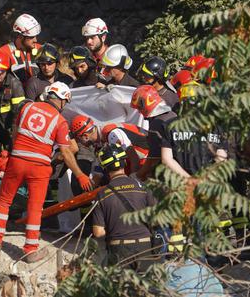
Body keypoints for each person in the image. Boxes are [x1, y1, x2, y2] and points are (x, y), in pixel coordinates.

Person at [0, 82, 93, 263]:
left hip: (18, 159)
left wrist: (15, 152)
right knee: (35, 207)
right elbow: (67, 152)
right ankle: (30, 250)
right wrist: (80, 174)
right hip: (40, 167)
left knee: (4, 201)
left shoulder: (27, 108)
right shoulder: (60, 121)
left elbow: (15, 133)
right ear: (62, 100)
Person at [92, 143, 156, 271]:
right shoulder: (142, 187)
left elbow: (98, 232)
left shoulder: (102, 194)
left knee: (121, 289)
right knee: (146, 288)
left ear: (104, 167)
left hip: (119, 250)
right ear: (124, 162)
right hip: (145, 247)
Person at [70, 115, 149, 175]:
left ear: (85, 136)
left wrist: (134, 182)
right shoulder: (99, 145)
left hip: (148, 161)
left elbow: (133, 157)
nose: (79, 143)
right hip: (141, 163)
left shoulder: (111, 133)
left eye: (78, 140)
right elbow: (98, 173)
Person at [130, 85, 177, 181]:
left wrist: (138, 175)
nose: (139, 112)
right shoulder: (173, 115)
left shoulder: (156, 124)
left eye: (139, 107)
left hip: (166, 176)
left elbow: (153, 159)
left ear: (146, 103)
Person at [0, 13, 42, 84]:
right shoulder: (3, 53)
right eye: (31, 37)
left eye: (36, 36)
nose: (35, 40)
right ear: (20, 36)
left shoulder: (41, 49)